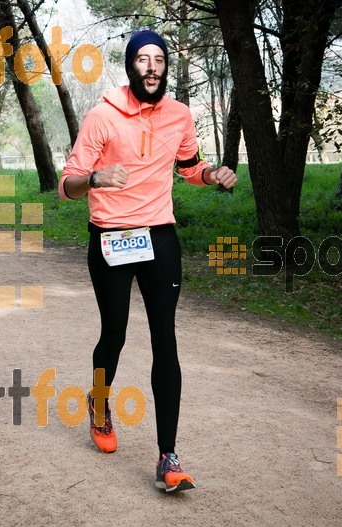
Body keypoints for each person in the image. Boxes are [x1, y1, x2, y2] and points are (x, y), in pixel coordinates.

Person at [59, 27, 237, 492]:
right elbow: (68, 184)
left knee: (166, 341)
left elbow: (188, 167)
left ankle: (168, 457)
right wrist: (96, 177)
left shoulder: (179, 115)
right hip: (112, 237)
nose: (153, 66)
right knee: (114, 334)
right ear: (131, 66)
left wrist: (211, 175)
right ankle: (99, 402)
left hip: (159, 236)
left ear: (166, 68)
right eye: (144, 59)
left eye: (159, 59)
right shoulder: (102, 117)